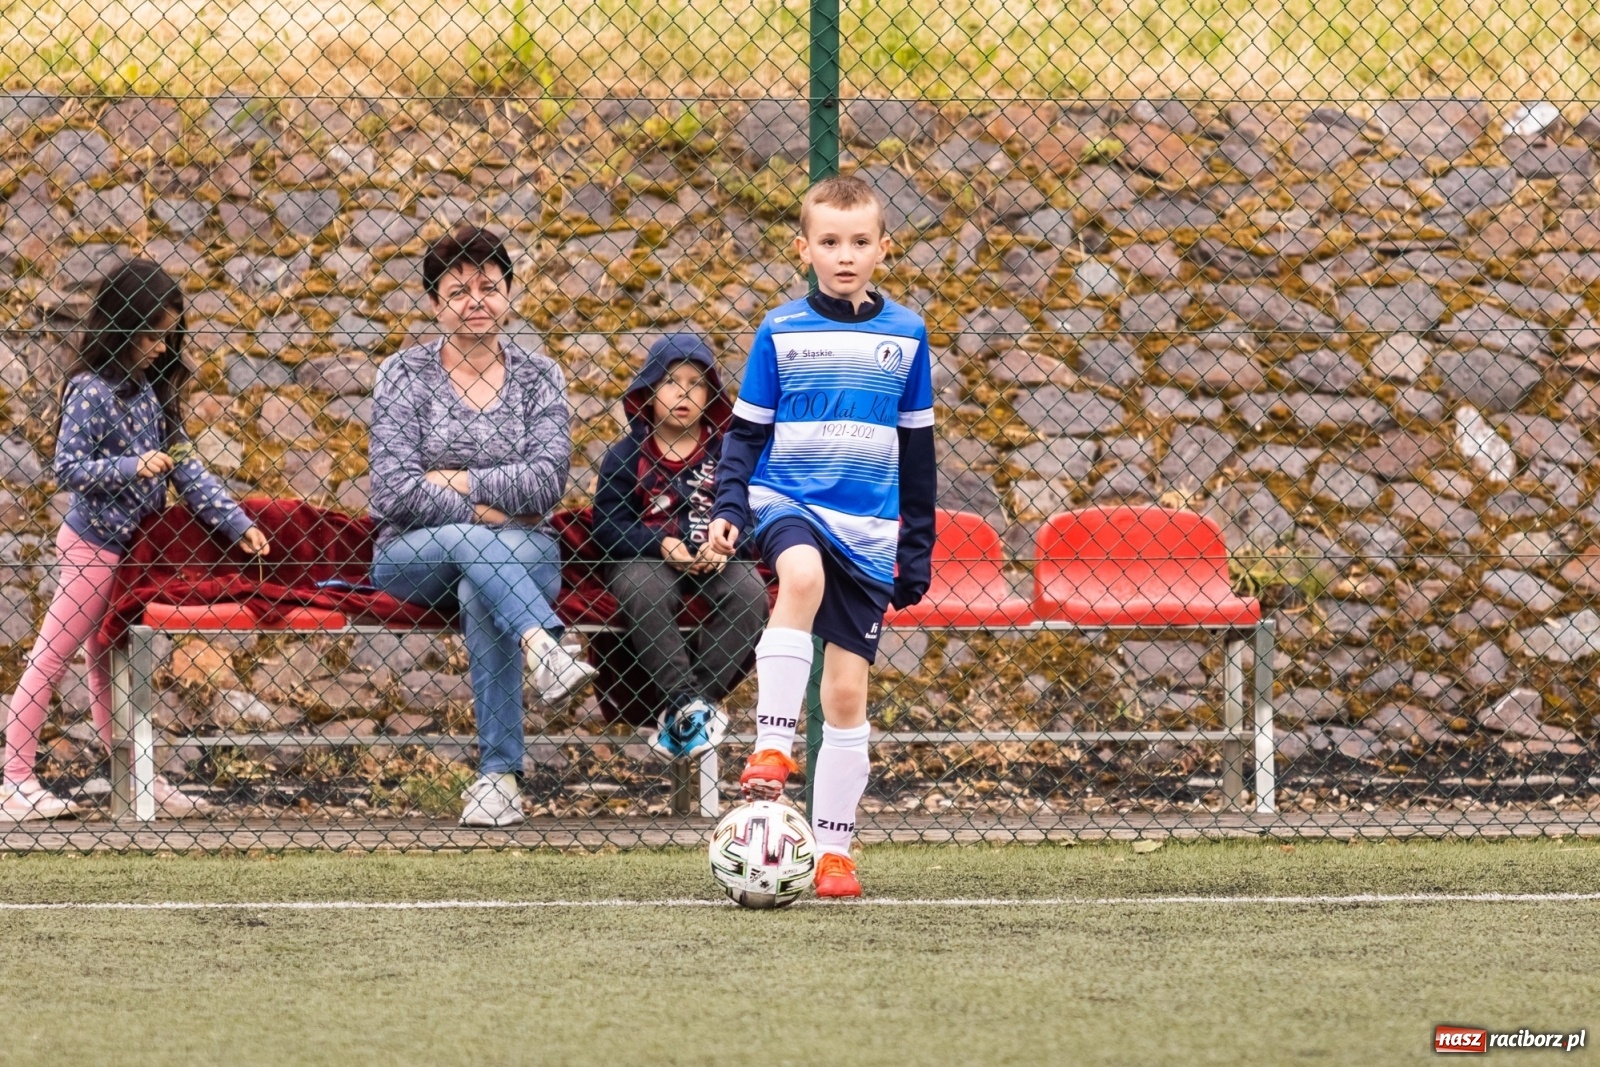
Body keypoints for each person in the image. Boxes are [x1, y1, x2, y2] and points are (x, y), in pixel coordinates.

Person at [708, 174, 936, 898]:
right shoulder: (780, 330)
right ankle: (772, 746)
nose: (845, 255)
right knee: (798, 577)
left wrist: (915, 547)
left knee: (844, 694)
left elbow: (920, 451)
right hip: (790, 500)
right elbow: (745, 434)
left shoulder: (906, 335)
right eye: (830, 242)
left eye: (860, 242)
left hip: (867, 528)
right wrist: (732, 503)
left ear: (883, 249)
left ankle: (835, 851)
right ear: (803, 247)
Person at [1, 260, 271, 821]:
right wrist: (133, 466)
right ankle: (14, 778)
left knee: (112, 664)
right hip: (93, 549)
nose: (160, 346)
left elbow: (187, 467)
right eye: (151, 334)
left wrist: (235, 523)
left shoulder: (153, 389)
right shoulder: (91, 390)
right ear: (121, 327)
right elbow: (68, 468)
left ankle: (137, 780)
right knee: (52, 658)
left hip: (136, 554)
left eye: (169, 335)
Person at [368, 225, 594, 829]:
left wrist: (453, 481)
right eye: (458, 290)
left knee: (481, 587)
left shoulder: (538, 376)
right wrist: (491, 507)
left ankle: (499, 780)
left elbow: (547, 483)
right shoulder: (403, 374)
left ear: (509, 295)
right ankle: (544, 642)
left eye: (489, 288)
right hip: (414, 555)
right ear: (434, 303)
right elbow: (393, 491)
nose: (475, 302)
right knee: (475, 546)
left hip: (527, 549)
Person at [592, 331, 769, 760]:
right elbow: (607, 526)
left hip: (716, 557)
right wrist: (659, 542)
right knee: (644, 591)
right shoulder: (627, 454)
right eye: (672, 382)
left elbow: (753, 512)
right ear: (649, 392)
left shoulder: (728, 451)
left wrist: (727, 545)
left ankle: (689, 710)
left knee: (750, 595)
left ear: (711, 395)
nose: (683, 393)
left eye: (696, 383)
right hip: (649, 557)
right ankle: (685, 701)